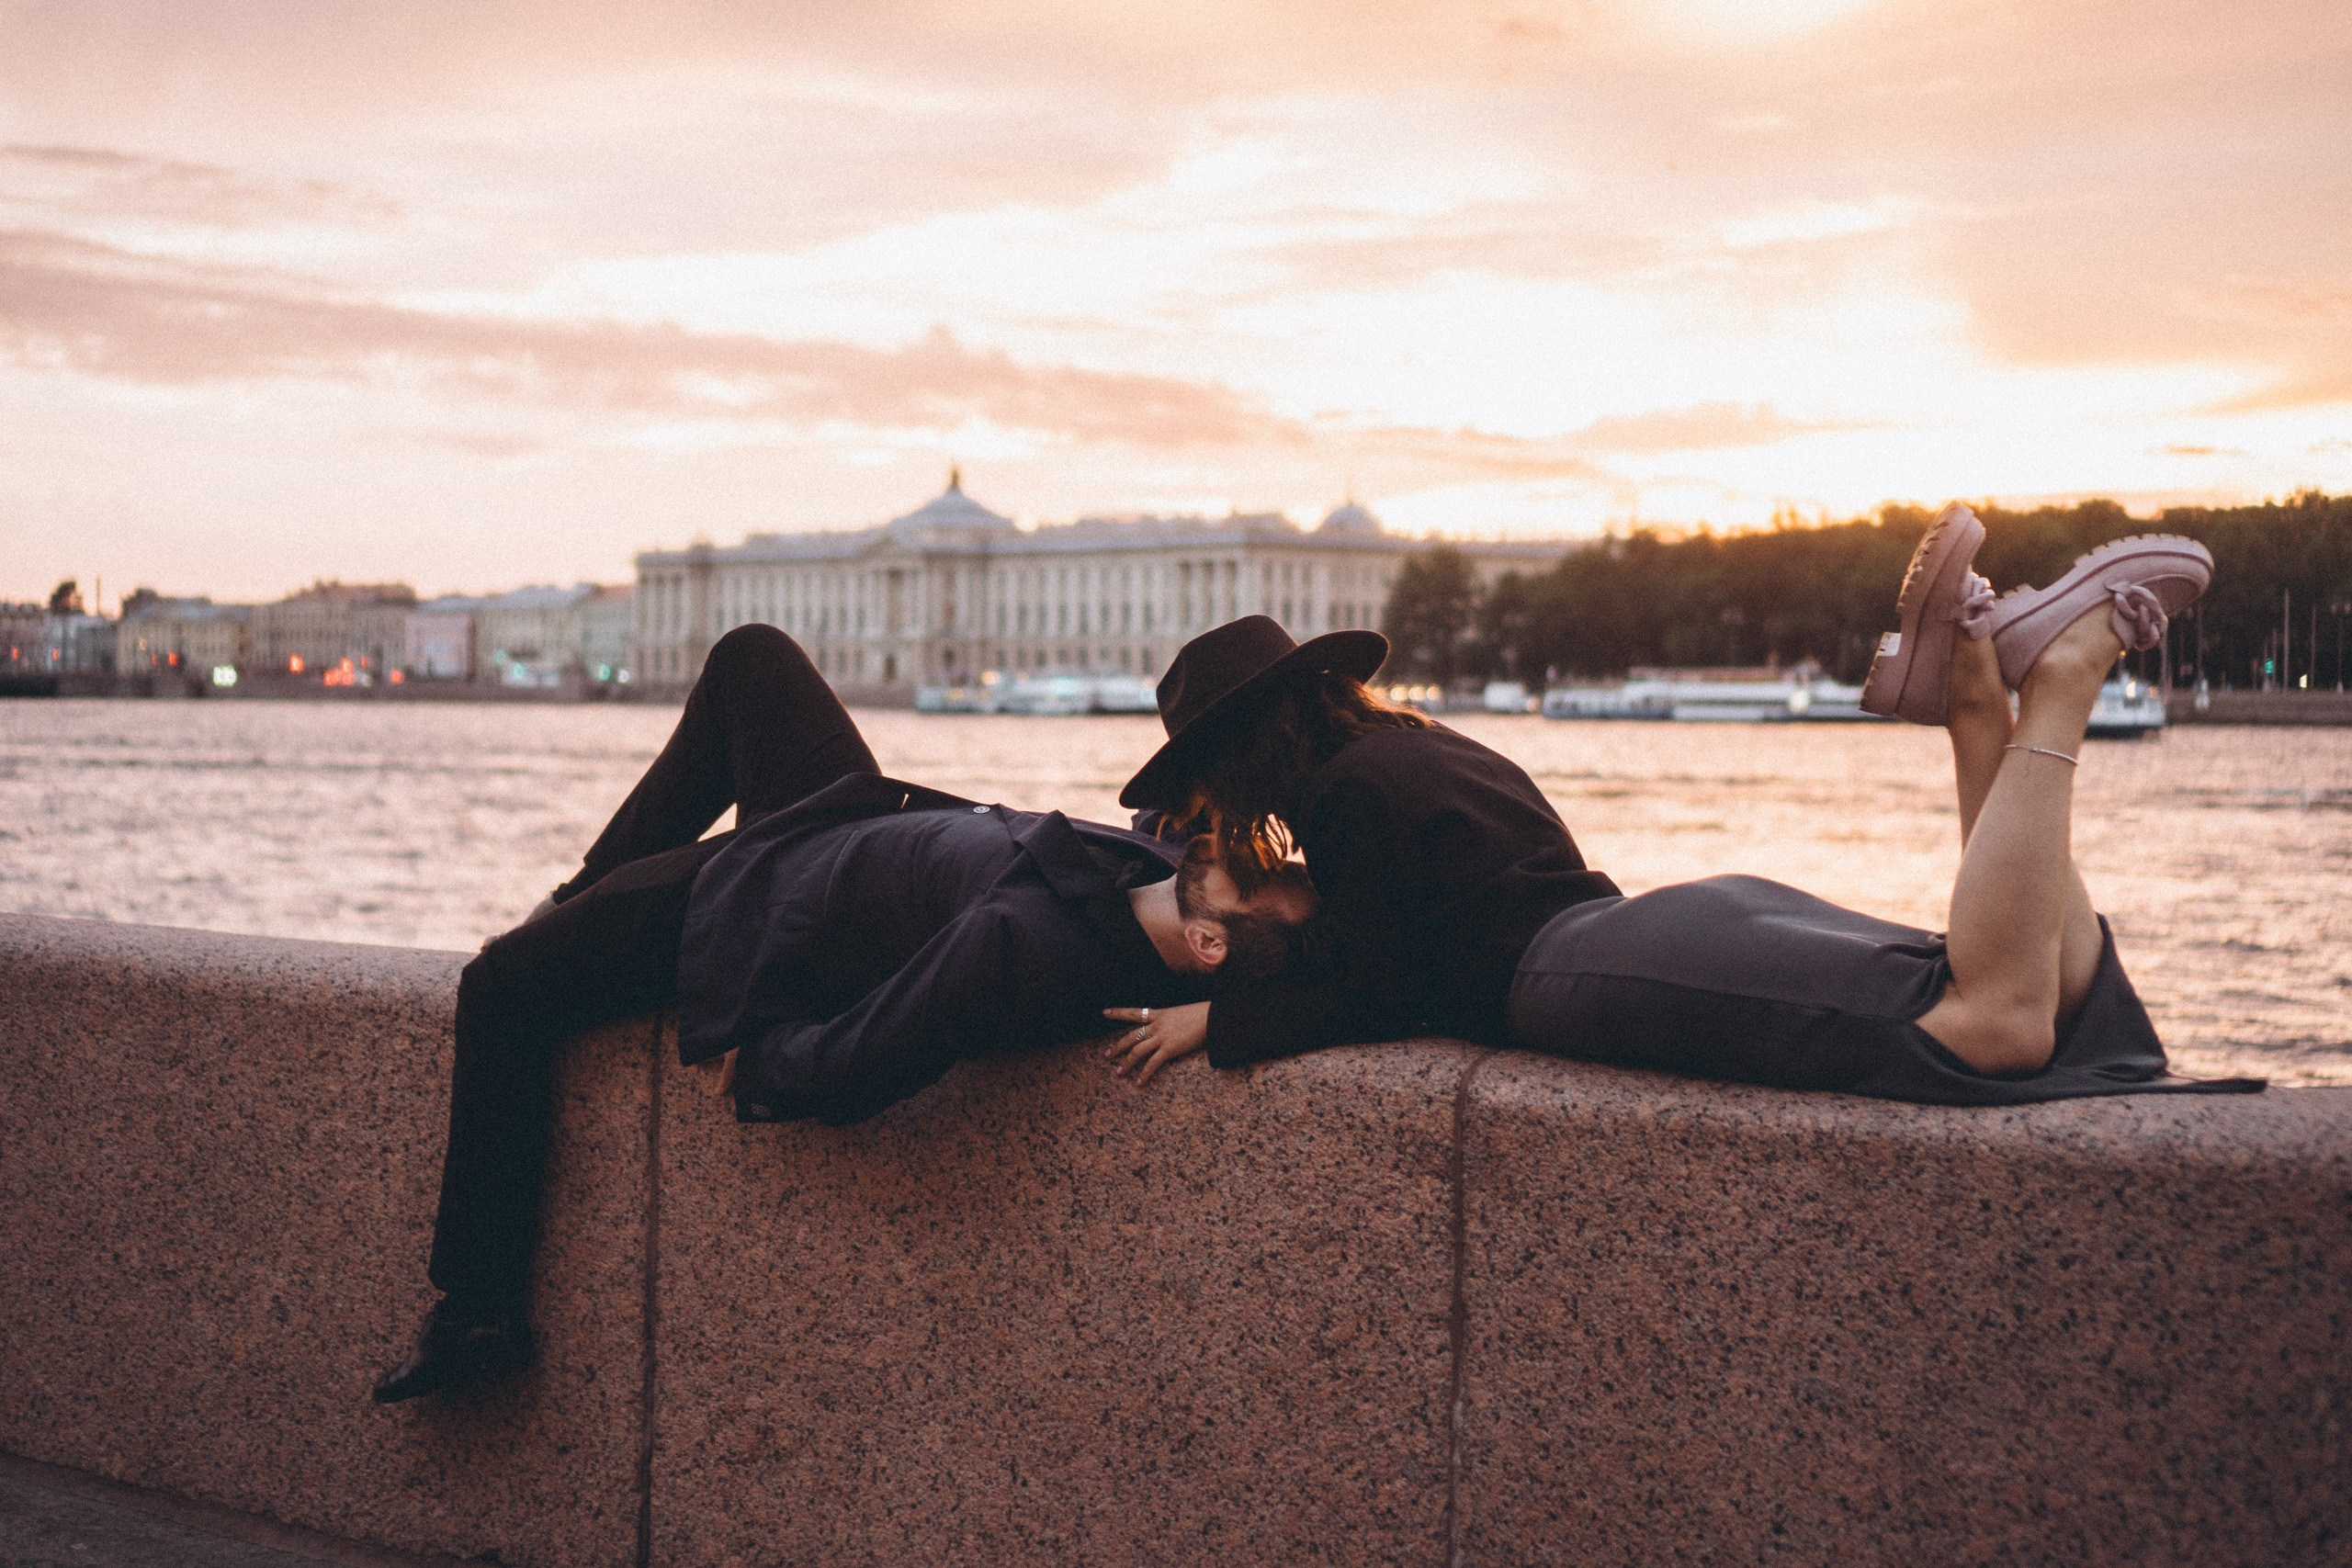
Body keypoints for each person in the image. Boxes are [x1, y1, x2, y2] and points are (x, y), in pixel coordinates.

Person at [374, 625, 1315, 1404]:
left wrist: (768, 1047)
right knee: (751, 656)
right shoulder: (1173, 878)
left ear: (1212, 947)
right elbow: (1250, 883)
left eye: (1254, 877)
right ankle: (583, 893)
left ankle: (479, 1311)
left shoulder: (1019, 945)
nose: (1247, 851)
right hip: (843, 816)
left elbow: (869, 1053)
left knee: (499, 988)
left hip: (761, 903)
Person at [1102, 511, 2262, 1108]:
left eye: (1206, 784)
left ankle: (2053, 683)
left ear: (1240, 752)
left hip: (1590, 979)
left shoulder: (1343, 797)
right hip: (1652, 927)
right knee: (2022, 990)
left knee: (1990, 1026)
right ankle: (1971, 698)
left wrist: (1225, 1023)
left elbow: (1392, 984)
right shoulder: (1418, 749)